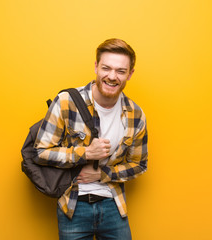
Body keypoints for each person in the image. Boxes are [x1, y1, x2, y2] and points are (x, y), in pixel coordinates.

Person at [34, 38, 148, 240]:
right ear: (96, 67)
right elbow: (41, 151)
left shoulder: (135, 115)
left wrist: (103, 174)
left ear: (130, 74)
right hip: (73, 206)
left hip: (114, 205)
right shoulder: (66, 102)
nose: (112, 77)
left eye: (121, 71)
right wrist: (85, 153)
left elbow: (139, 164)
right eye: (106, 68)